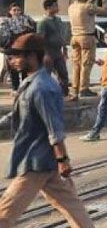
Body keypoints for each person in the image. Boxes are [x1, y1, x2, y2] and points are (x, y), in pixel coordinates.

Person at [0, 34, 93, 227]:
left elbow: (54, 128)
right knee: (72, 207)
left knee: (4, 214)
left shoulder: (42, 88)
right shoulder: (31, 82)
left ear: (32, 56)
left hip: (36, 163)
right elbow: (20, 115)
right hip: (44, 162)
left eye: (17, 56)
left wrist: (63, 160)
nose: (13, 61)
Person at [67, 0, 107, 100]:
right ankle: (84, 88)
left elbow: (84, 5)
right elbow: (104, 10)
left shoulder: (71, 7)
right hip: (87, 36)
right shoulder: (87, 7)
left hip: (74, 37)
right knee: (86, 64)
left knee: (76, 64)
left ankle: (75, 88)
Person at [1, 3, 36, 92]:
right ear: (10, 12)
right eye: (14, 10)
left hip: (24, 47)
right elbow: (4, 35)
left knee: (25, 67)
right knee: (13, 69)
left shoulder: (26, 19)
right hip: (12, 47)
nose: (16, 12)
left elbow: (33, 29)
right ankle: (15, 88)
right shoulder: (6, 21)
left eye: (18, 10)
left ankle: (25, 87)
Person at [36, 0, 69, 95]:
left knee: (63, 72)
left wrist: (64, 49)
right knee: (47, 74)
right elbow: (40, 39)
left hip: (58, 51)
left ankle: (64, 93)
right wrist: (44, 53)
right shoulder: (43, 22)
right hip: (48, 52)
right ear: (48, 8)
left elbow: (61, 35)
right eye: (54, 6)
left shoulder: (58, 20)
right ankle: (45, 93)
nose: (57, 8)